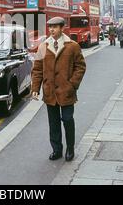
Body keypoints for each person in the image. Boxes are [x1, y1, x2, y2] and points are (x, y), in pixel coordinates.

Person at [31, 17, 86, 162]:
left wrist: (72, 84)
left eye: (55, 27)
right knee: (53, 122)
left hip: (66, 91)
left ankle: (70, 148)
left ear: (62, 28)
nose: (52, 30)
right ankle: (57, 150)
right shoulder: (43, 46)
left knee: (67, 120)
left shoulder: (72, 46)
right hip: (50, 91)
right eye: (50, 27)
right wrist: (35, 88)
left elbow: (80, 67)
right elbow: (37, 69)